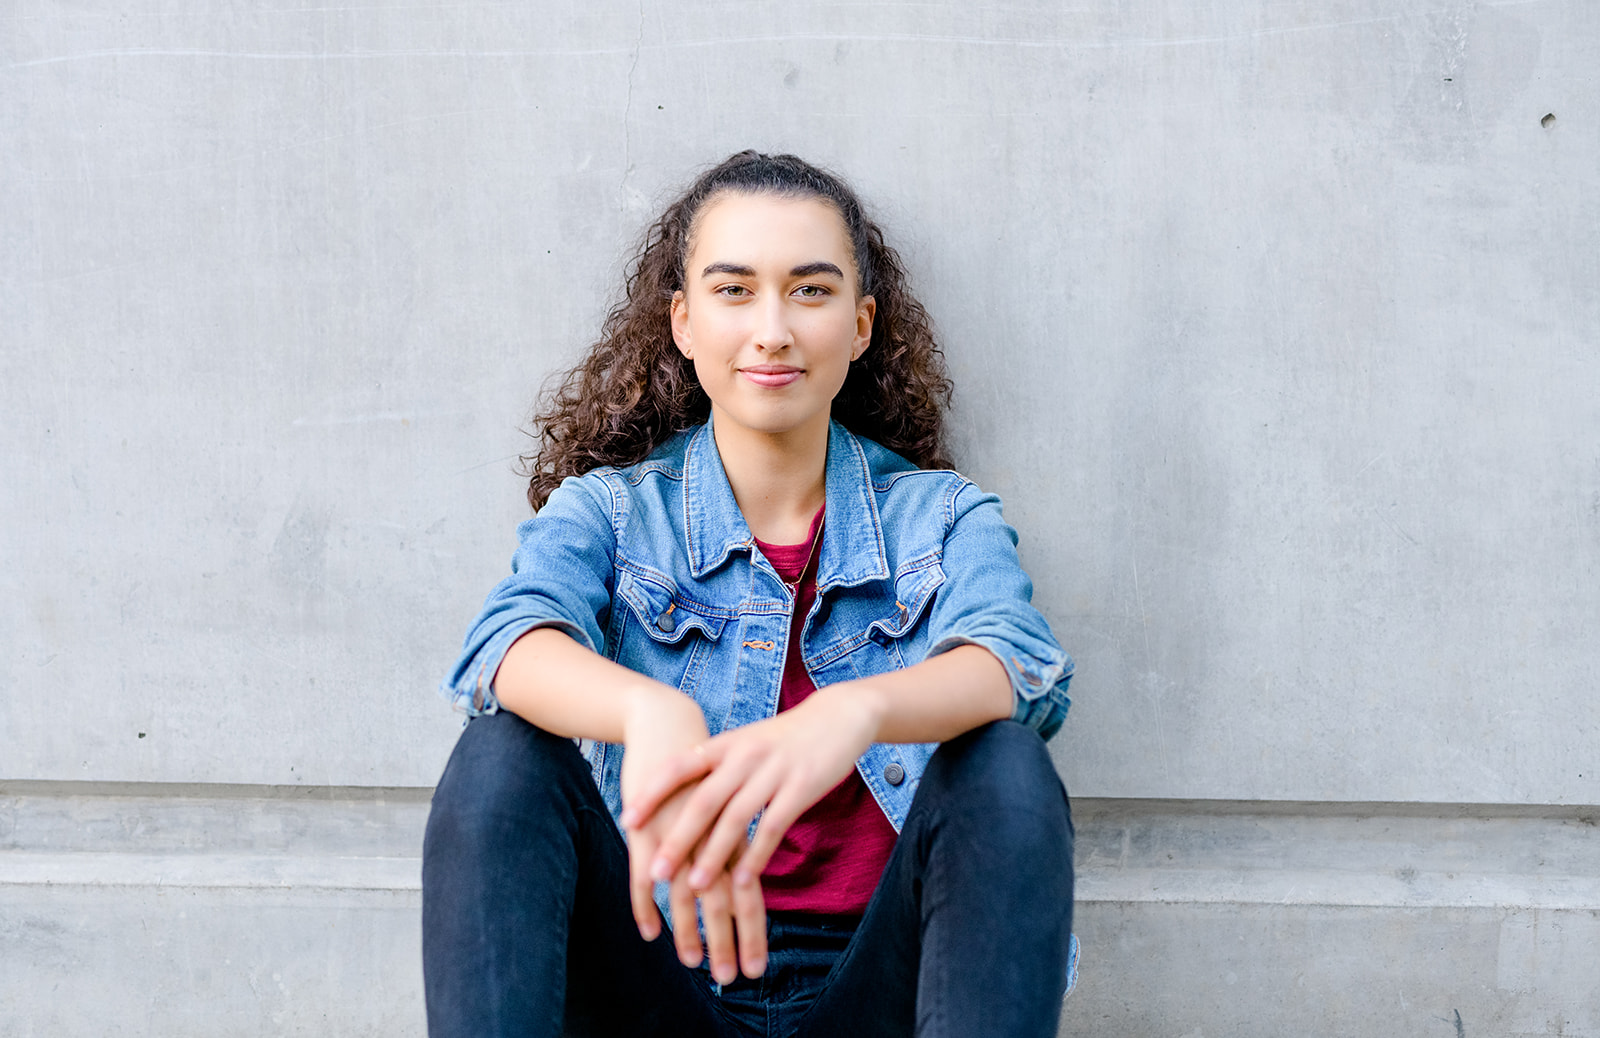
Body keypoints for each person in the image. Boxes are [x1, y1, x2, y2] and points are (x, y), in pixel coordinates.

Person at [422, 151, 1077, 1038]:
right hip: (662, 990)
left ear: (861, 325)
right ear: (683, 323)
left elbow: (1020, 666)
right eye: (734, 292)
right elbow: (502, 645)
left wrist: (856, 711)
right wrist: (650, 713)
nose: (772, 329)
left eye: (810, 291)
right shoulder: (613, 514)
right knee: (499, 759)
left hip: (874, 995)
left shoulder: (942, 517)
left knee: (1003, 762)